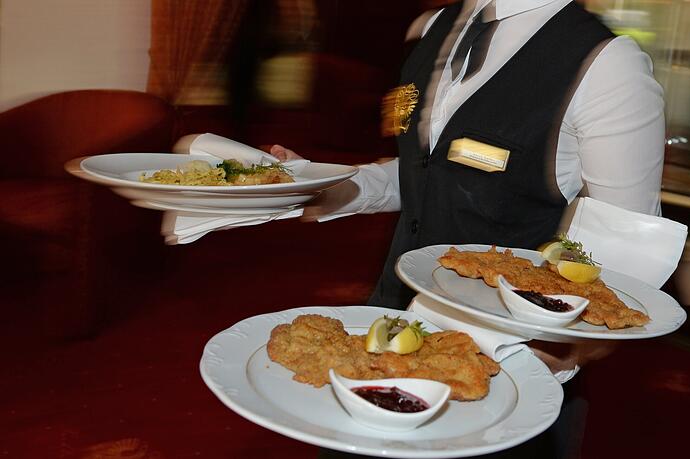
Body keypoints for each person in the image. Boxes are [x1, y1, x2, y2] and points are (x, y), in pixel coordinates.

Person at [268, 0, 664, 456]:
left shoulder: (609, 64)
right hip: (388, 327)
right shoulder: (437, 25)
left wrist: (567, 350)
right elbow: (428, 170)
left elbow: (626, 245)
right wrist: (321, 185)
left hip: (502, 369)